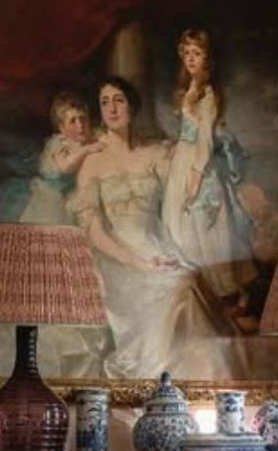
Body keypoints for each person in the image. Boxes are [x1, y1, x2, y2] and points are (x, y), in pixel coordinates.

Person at [71, 74, 236, 382]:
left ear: (132, 107)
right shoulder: (92, 163)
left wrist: (194, 126)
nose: (112, 108)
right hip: (116, 258)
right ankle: (158, 381)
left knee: (187, 282)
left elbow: (183, 186)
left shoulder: (154, 153)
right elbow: (95, 233)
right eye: (105, 102)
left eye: (119, 100)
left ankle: (199, 386)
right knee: (171, 291)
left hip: (157, 245)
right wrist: (139, 263)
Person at [160, 29, 257, 311]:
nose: (191, 59)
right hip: (182, 161)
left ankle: (229, 292)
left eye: (197, 53)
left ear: (207, 59)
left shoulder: (208, 94)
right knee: (181, 228)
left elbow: (204, 140)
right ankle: (197, 293)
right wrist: (175, 149)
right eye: (187, 53)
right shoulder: (188, 90)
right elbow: (188, 133)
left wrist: (195, 177)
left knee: (207, 230)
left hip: (199, 166)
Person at [17, 92, 104, 226]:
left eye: (83, 118)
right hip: (53, 200)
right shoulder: (60, 144)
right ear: (62, 128)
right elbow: (65, 167)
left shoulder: (93, 137)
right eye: (72, 121)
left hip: (77, 196)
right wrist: (87, 150)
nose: (80, 125)